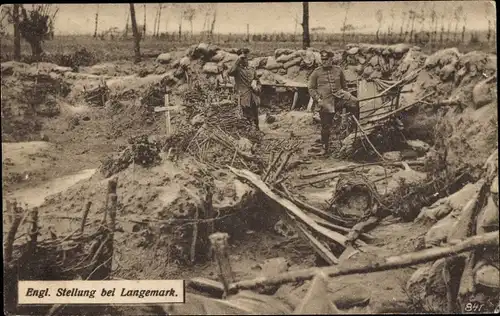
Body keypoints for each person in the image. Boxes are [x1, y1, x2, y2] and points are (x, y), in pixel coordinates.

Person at [308, 50, 358, 155]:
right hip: (326, 101)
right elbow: (311, 88)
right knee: (326, 126)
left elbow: (345, 86)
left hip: (340, 98)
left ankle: (353, 133)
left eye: (326, 59)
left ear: (331, 59)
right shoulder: (316, 72)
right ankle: (324, 147)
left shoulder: (338, 70)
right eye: (323, 59)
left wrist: (346, 95)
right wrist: (318, 99)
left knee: (355, 103)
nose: (324, 62)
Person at [228, 48, 261, 130]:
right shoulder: (237, 70)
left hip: (253, 96)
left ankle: (257, 131)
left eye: (246, 58)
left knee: (255, 117)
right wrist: (238, 60)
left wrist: (257, 87)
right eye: (243, 59)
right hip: (243, 97)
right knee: (247, 118)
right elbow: (230, 72)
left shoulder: (252, 69)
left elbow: (258, 81)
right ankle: (249, 133)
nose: (245, 60)